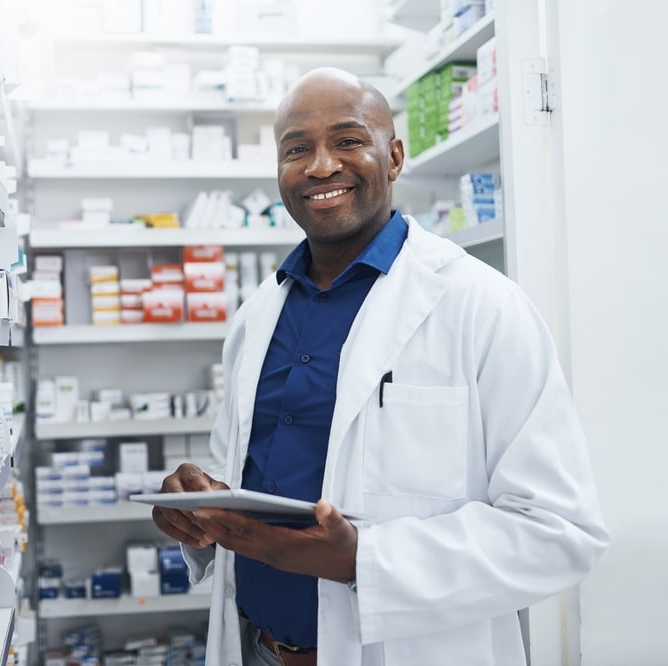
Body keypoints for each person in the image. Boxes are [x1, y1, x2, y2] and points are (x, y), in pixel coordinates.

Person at [149, 67, 609, 666]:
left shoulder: (481, 306)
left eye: (346, 140)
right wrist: (200, 503)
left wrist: (362, 558)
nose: (319, 166)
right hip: (256, 648)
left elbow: (560, 532)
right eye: (297, 149)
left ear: (393, 157)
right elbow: (245, 468)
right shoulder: (257, 315)